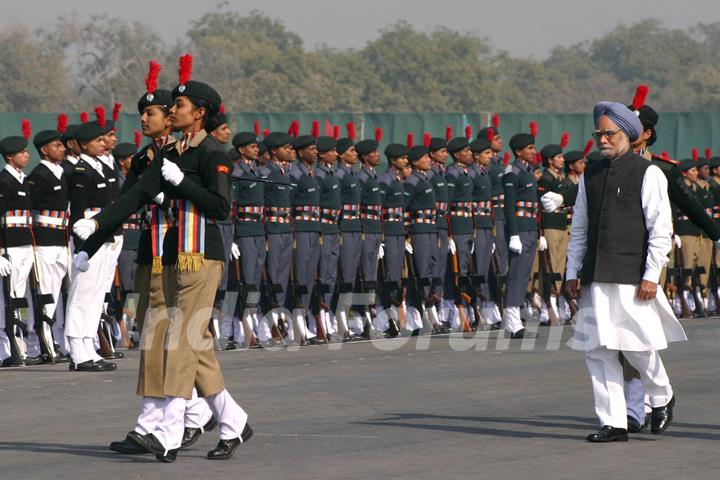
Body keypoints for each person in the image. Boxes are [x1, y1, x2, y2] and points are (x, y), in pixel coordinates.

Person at [74, 66, 252, 461]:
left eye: (180, 105)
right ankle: (232, 420)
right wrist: (96, 229)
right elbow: (135, 197)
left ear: (200, 112)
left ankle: (168, 431)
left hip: (202, 255)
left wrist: (182, 183)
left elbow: (221, 208)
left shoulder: (211, 154)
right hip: (167, 257)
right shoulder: (172, 153)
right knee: (183, 343)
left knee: (180, 341)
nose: (172, 111)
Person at [566, 101, 685, 442]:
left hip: (631, 274)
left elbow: (660, 229)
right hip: (594, 274)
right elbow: (579, 229)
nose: (603, 139)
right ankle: (613, 422)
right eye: (598, 133)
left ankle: (662, 395)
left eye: (609, 133)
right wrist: (571, 272)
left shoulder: (649, 173)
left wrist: (651, 275)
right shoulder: (590, 173)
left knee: (636, 344)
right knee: (597, 349)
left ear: (627, 135)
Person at [0, 131, 42, 367]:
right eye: (22, 152)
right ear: (9, 156)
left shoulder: (22, 179)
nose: (27, 155)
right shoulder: (4, 181)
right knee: (7, 298)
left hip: (25, 244)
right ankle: (5, 348)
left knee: (20, 297)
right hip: (10, 247)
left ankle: (19, 345)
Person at [502, 133, 540, 339]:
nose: (534, 151)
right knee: (516, 274)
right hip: (519, 229)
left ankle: (515, 318)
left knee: (524, 273)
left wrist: (538, 233)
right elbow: (509, 207)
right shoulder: (513, 172)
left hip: (530, 228)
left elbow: (534, 207)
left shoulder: (528, 171)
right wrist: (514, 234)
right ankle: (512, 320)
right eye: (530, 148)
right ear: (518, 151)